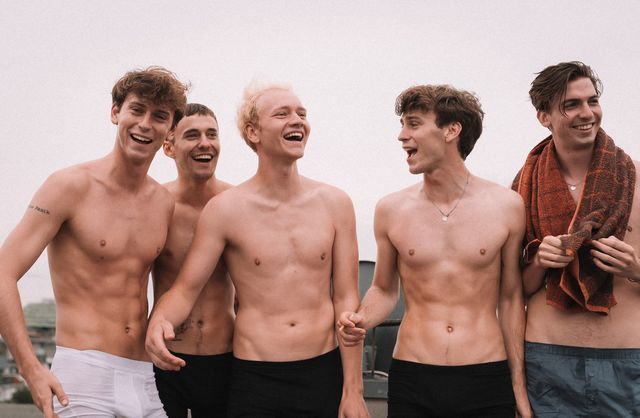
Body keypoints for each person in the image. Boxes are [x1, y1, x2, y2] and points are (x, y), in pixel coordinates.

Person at [146, 84, 369, 417]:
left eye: (302, 113)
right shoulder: (226, 209)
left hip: (322, 371)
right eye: (282, 114)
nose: (297, 120)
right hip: (255, 377)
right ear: (253, 132)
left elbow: (346, 301)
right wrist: (160, 321)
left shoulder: (336, 204)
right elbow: (185, 289)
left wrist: (353, 391)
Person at [0, 67, 188, 418]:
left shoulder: (164, 204)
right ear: (115, 113)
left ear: (171, 131)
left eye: (159, 116)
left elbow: (175, 289)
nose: (145, 124)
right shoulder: (69, 186)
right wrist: (30, 368)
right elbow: (3, 272)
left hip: (144, 379)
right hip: (82, 378)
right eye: (137, 110)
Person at [338, 84, 531, 417]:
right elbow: (384, 289)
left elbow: (511, 297)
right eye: (402, 125)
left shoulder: (506, 206)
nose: (402, 136)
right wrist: (361, 318)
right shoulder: (391, 209)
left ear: (451, 130)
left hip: (486, 374)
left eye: (413, 124)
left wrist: (518, 383)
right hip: (413, 373)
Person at [513, 61, 639, 416]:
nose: (587, 113)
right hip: (547, 362)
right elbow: (513, 290)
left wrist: (635, 268)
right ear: (544, 117)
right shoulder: (522, 189)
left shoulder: (635, 180)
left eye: (592, 101)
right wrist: (539, 261)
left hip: (627, 362)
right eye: (571, 104)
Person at [151, 103, 234, 417]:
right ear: (169, 147)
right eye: (192, 135)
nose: (204, 143)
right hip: (164, 357)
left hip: (224, 358)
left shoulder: (238, 205)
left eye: (212, 134)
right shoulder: (155, 206)